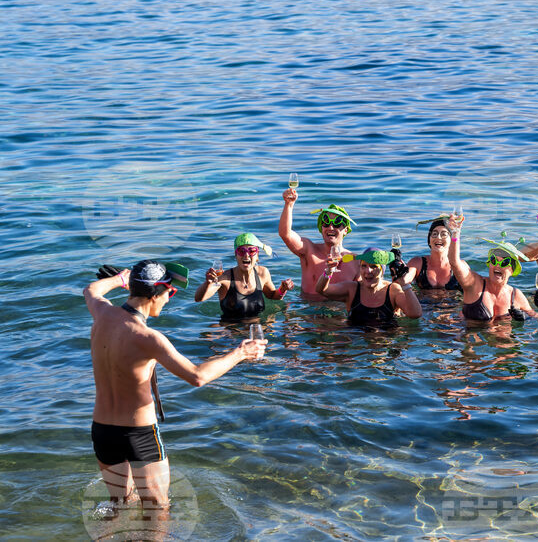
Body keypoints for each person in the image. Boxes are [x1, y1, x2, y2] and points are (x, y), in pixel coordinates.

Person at [85, 260, 266, 511]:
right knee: (158, 510)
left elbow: (91, 290)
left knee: (119, 504)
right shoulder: (148, 338)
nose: (169, 299)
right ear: (154, 294)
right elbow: (197, 376)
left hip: (103, 431)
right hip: (138, 435)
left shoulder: (101, 313)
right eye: (170, 292)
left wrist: (119, 280)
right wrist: (240, 353)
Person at [447, 214, 535, 322]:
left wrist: (526, 316)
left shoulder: (515, 296)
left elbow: (536, 317)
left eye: (505, 262)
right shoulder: (475, 284)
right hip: (471, 335)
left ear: (512, 270)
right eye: (494, 260)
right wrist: (455, 233)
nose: (498, 265)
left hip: (501, 337)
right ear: (489, 264)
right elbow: (454, 262)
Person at [279, 188, 360, 301]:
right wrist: (289, 204)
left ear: (345, 230)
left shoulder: (356, 261)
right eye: (326, 222)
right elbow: (285, 234)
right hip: (308, 311)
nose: (330, 227)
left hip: (339, 313)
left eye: (337, 223)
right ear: (321, 227)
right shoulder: (308, 250)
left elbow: (364, 294)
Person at [193, 233, 294, 321]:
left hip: (257, 326)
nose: (246, 255)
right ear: (236, 255)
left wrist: (283, 289)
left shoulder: (263, 273)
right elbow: (199, 298)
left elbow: (272, 296)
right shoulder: (225, 278)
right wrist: (208, 283)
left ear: (257, 256)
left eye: (251, 251)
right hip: (231, 330)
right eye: (241, 251)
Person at [314, 248, 422, 328]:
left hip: (385, 341)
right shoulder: (352, 288)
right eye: (364, 266)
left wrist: (404, 284)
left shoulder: (392, 290)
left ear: (382, 271)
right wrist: (329, 271)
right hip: (356, 340)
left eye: (374, 266)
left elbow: (415, 314)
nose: (368, 271)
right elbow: (322, 290)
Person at [400, 216, 461, 290]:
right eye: (434, 234)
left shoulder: (459, 266)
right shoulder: (417, 263)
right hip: (422, 301)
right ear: (429, 239)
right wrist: (400, 274)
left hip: (453, 301)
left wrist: (456, 233)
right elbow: (403, 284)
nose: (438, 237)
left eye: (444, 234)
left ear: (451, 240)